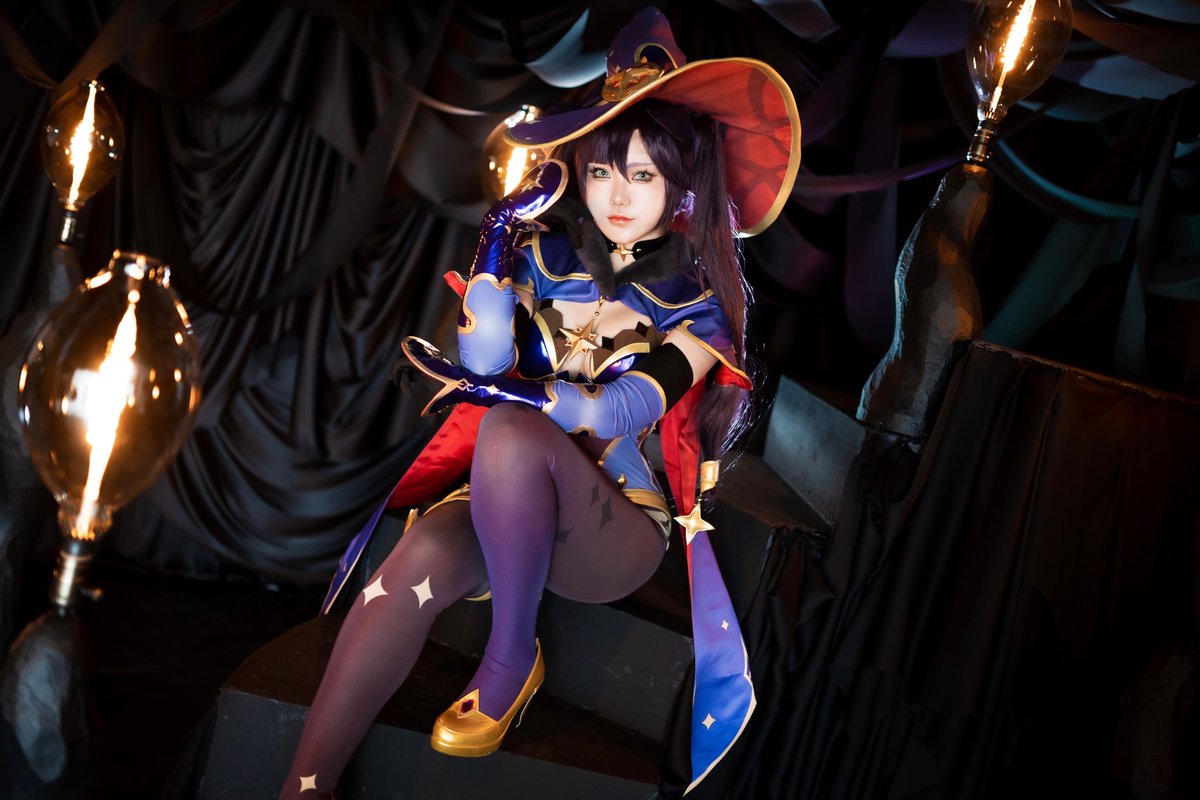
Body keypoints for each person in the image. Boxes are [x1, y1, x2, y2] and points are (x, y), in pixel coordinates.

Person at [279, 7, 799, 797]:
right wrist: (496, 231)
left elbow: (617, 413)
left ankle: (510, 655)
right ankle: (300, 789)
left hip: (612, 527)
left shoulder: (699, 308)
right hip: (504, 499)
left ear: (680, 182)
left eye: (643, 175)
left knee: (512, 430)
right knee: (411, 562)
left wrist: (508, 393)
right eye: (602, 171)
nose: (617, 195)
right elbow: (483, 356)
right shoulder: (542, 257)